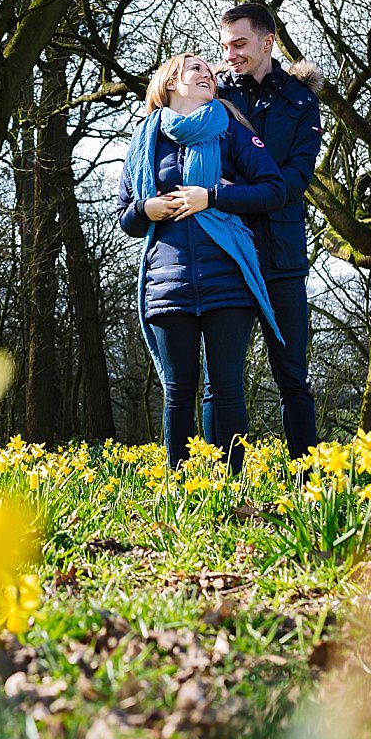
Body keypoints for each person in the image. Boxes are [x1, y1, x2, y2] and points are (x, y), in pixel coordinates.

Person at [116, 52, 286, 473]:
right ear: (171, 81)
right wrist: (147, 208)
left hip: (228, 279)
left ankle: (230, 483)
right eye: (197, 69)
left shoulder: (231, 131)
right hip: (167, 283)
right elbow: (125, 215)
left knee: (226, 387)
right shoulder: (146, 139)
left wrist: (213, 196)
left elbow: (274, 190)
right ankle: (182, 490)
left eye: (211, 71)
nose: (208, 74)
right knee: (177, 390)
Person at [213, 2, 325, 459]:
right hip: (226, 254)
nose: (230, 55)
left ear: (267, 41)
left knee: (293, 376)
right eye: (224, 47)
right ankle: (219, 482)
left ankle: (308, 484)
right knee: (219, 381)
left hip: (282, 254)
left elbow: (295, 182)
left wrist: (234, 192)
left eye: (239, 44)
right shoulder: (212, 97)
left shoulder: (302, 102)